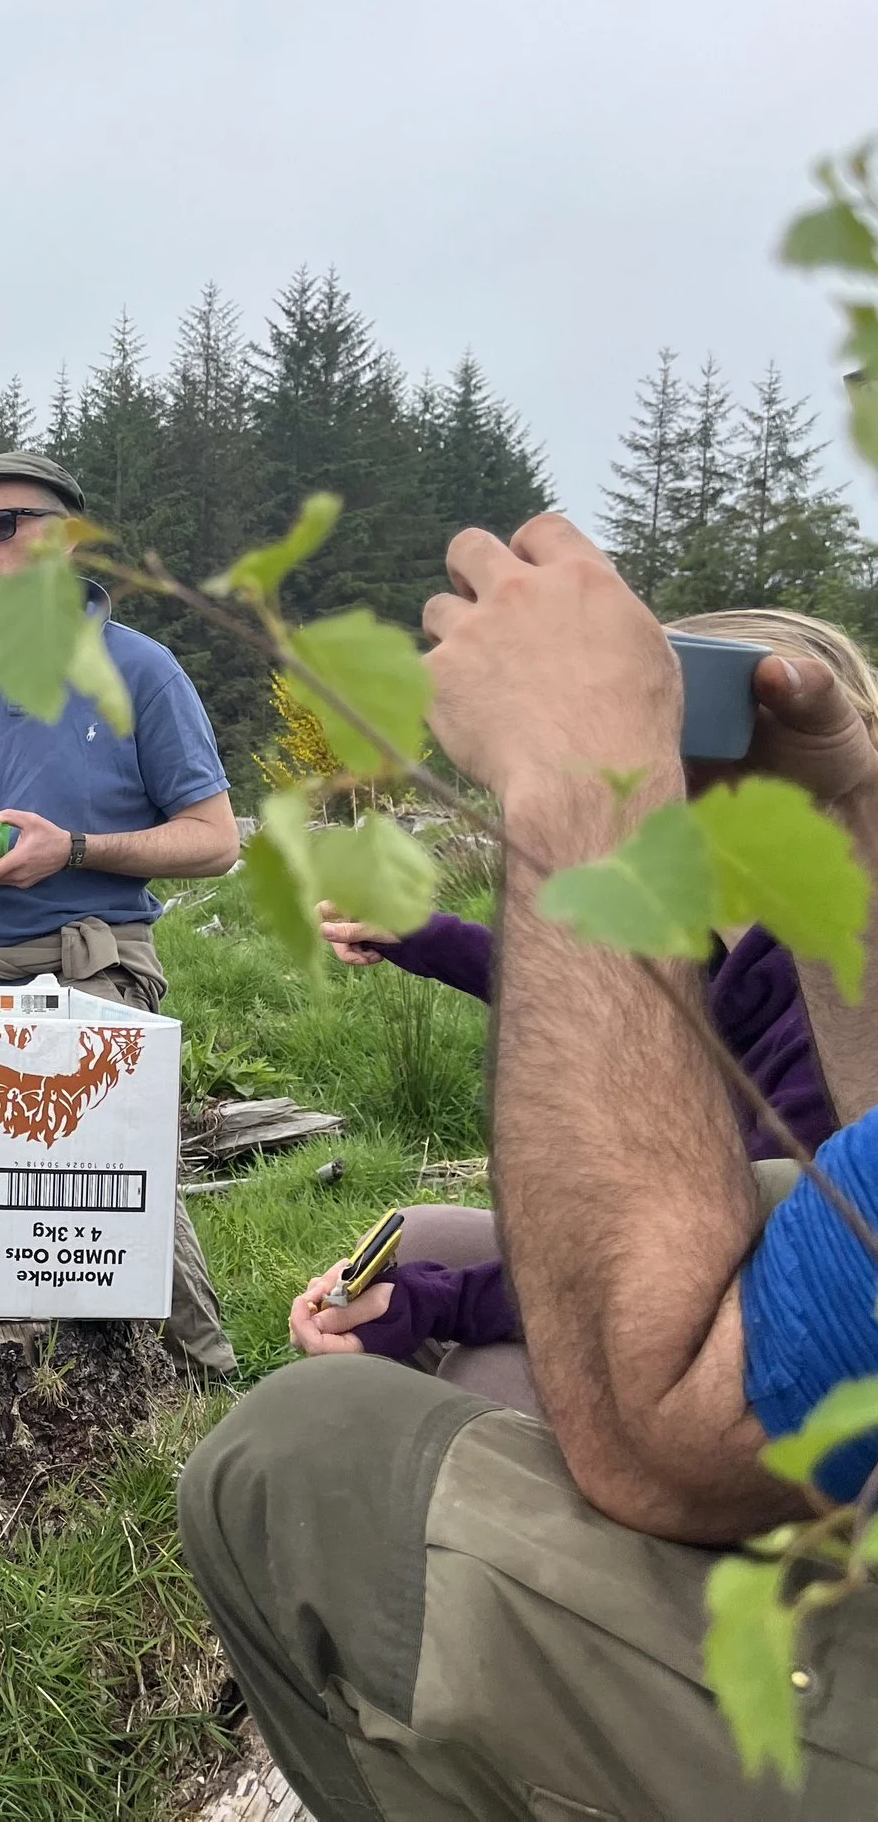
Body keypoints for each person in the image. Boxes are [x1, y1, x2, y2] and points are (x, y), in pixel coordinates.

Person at [181, 513, 878, 1818]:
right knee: (427, 1232)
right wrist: (427, 934)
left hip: (774, 1481)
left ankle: (460, 1683)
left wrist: (569, 778)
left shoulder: (786, 977)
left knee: (296, 1445)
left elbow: (667, 1392)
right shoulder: (777, 939)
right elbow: (608, 1013)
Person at [295, 606, 878, 1413]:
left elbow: (686, 1269)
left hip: (780, 1373)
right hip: (709, 1278)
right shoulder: (739, 938)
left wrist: (444, 1303)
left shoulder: (831, 1017)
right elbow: (608, 991)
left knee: (481, 1376)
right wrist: (420, 934)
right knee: (422, 1233)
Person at [0, 448, 242, 1375]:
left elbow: (215, 839)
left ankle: (203, 1372)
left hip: (82, 964)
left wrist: (70, 848)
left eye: (0, 525)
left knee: (115, 1184)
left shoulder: (140, 671)